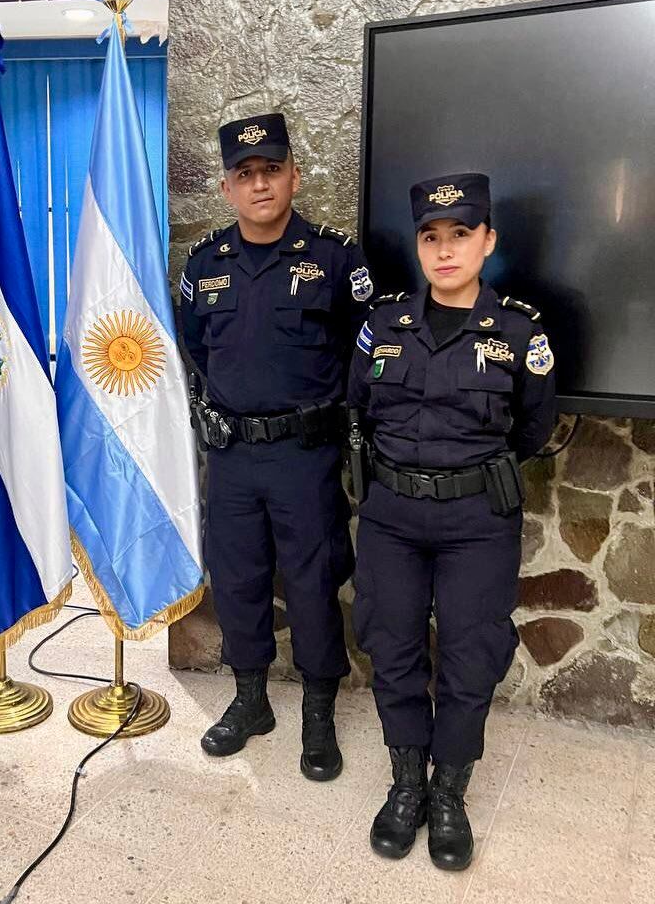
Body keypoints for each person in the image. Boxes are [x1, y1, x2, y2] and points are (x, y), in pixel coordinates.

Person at [348, 173, 556, 868]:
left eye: (460, 235)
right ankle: (407, 784)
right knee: (393, 645)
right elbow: (359, 405)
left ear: (488, 241)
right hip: (392, 516)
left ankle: (449, 794)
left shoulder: (520, 331)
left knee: (471, 659)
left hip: (478, 520)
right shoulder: (383, 324)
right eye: (431, 237)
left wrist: (469, 475)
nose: (444, 250)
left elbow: (533, 427)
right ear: (418, 245)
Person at [179, 113, 374, 781]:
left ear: (294, 174)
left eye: (271, 170)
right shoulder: (205, 264)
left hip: (305, 454)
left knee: (315, 583)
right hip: (231, 456)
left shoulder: (334, 257)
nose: (259, 184)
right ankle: (251, 699)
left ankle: (319, 711)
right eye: (245, 175)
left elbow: (364, 350)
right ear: (227, 188)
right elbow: (197, 349)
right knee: (237, 582)